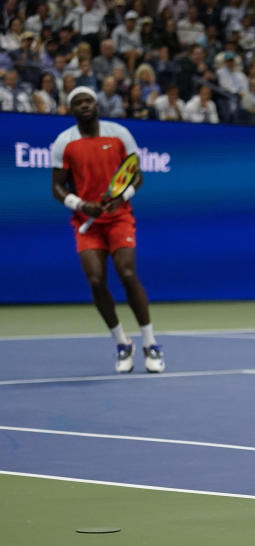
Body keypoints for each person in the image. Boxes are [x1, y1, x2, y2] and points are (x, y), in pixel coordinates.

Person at [50, 87, 165, 374]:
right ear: (72, 109)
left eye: (88, 100)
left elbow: (136, 175)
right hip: (86, 222)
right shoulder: (63, 142)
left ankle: (151, 343)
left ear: (96, 104)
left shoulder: (119, 133)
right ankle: (122, 344)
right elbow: (57, 187)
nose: (84, 105)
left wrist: (121, 198)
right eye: (78, 103)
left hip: (119, 217)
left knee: (127, 274)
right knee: (96, 281)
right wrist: (81, 204)